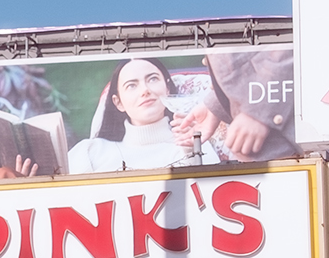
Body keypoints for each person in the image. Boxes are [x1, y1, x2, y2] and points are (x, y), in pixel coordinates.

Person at [65, 57, 217, 173]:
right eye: (131, 85)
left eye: (153, 79)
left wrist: (190, 151)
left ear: (168, 89)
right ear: (118, 103)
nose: (145, 90)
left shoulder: (195, 145)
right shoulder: (90, 152)